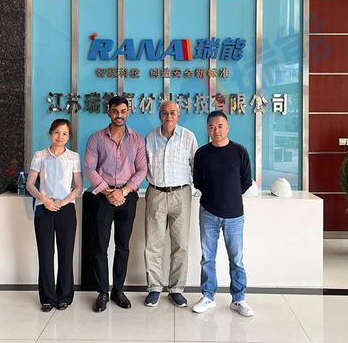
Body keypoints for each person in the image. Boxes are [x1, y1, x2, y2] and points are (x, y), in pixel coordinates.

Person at [84, 95, 147, 312]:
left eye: (123, 111)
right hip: (103, 197)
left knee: (123, 246)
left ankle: (118, 290)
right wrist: (109, 191)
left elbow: (142, 170)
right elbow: (89, 168)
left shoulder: (137, 139)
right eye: (115, 111)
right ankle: (102, 292)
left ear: (128, 112)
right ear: (109, 112)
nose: (119, 115)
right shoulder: (95, 139)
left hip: (127, 197)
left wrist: (124, 191)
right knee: (100, 246)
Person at [192, 111, 254, 317]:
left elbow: (246, 181)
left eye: (220, 126)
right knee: (207, 258)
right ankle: (208, 296)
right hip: (208, 213)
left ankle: (239, 298)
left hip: (234, 214)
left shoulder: (239, 151)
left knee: (236, 259)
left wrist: (230, 196)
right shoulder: (202, 153)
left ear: (227, 128)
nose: (216, 130)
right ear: (207, 129)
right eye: (211, 126)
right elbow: (197, 181)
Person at [144, 101, 198, 308]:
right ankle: (154, 288)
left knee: (180, 246)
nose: (169, 116)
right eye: (165, 113)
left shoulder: (188, 137)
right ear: (159, 115)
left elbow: (195, 166)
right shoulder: (150, 137)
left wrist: (196, 190)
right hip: (156, 194)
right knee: (152, 245)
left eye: (173, 112)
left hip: (181, 195)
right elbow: (143, 166)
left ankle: (176, 289)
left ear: (179, 115)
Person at [26, 119, 82, 312]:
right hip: (44, 208)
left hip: (66, 209)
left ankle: (65, 296)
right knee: (45, 255)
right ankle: (48, 298)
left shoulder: (73, 157)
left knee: (66, 254)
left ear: (69, 136)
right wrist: (45, 199)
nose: (60, 137)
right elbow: (30, 184)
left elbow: (79, 186)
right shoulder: (40, 155)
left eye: (65, 133)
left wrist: (62, 202)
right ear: (50, 133)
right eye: (57, 132)